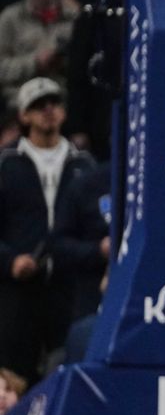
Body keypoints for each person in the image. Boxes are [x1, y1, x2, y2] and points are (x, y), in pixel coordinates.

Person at [0, 77, 95, 382]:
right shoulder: (6, 164)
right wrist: (10, 261)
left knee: (66, 369)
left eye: (54, 103)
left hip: (69, 287)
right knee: (14, 373)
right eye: (39, 106)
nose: (49, 110)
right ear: (24, 115)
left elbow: (94, 224)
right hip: (18, 289)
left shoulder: (84, 165)